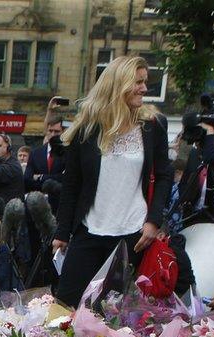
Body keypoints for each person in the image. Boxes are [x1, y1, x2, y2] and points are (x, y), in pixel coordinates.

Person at [51, 56, 172, 307]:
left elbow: (163, 175)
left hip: (132, 236)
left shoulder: (153, 125)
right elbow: (72, 184)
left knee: (113, 313)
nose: (144, 89)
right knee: (65, 305)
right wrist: (62, 231)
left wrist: (153, 221)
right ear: (118, 85)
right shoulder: (87, 128)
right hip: (89, 229)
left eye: (144, 82)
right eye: (138, 82)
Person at [25, 118, 67, 193]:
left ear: (63, 132)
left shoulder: (68, 153)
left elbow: (66, 178)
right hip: (39, 197)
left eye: (57, 132)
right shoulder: (35, 153)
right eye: (50, 131)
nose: (53, 134)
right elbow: (28, 178)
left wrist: (41, 177)